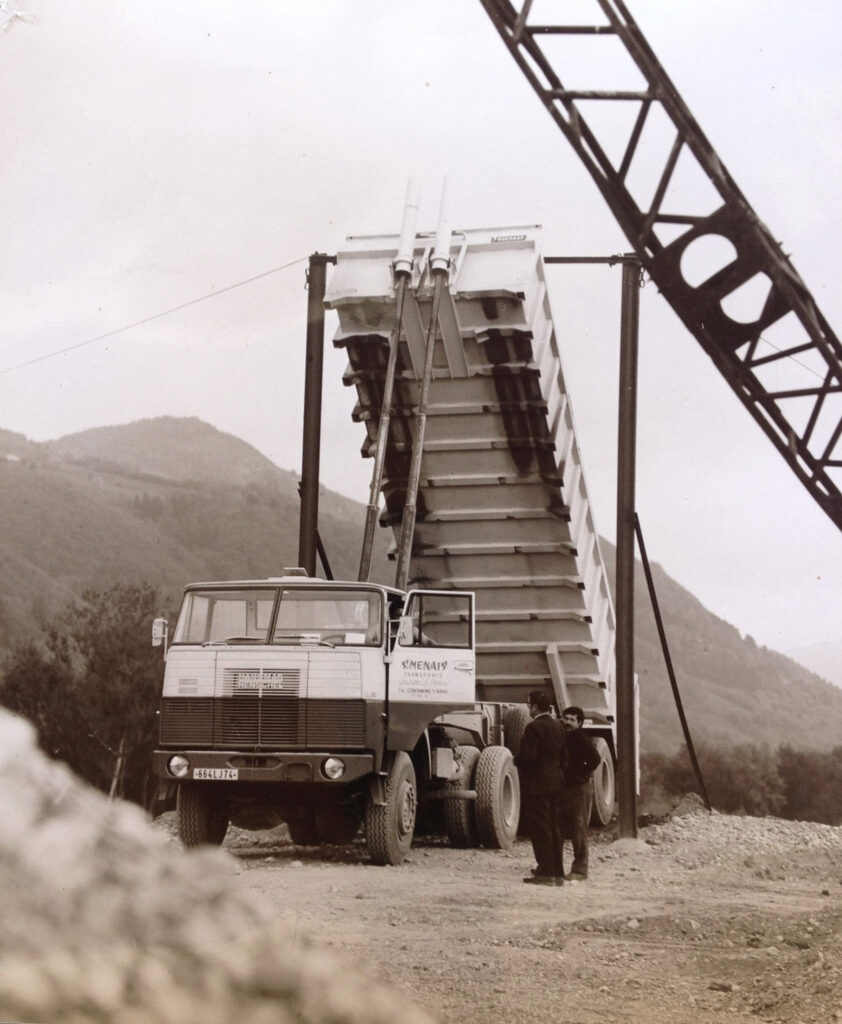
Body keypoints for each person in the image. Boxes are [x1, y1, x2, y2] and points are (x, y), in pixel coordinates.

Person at [514, 690, 567, 886]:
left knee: (540, 828)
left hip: (538, 784)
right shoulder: (558, 726)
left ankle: (545, 872)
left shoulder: (533, 728)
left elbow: (529, 758)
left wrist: (515, 760)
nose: (528, 708)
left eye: (529, 705)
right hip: (556, 782)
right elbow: (564, 757)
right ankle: (558, 873)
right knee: (555, 827)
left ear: (535, 706)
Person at [559, 705, 601, 881]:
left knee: (578, 827)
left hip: (579, 788)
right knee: (561, 827)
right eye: (566, 718)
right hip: (565, 787)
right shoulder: (564, 737)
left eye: (572, 720)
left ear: (580, 723)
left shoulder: (581, 739)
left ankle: (580, 870)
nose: (567, 722)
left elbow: (595, 759)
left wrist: (581, 774)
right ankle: (555, 868)